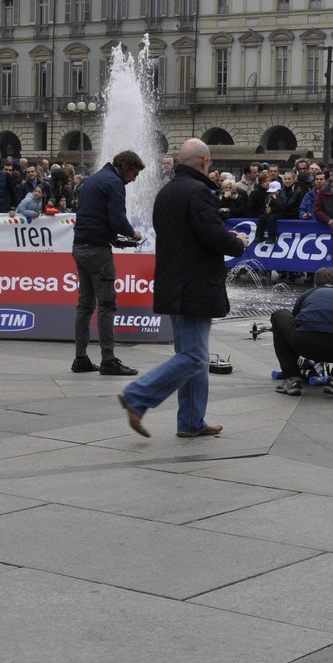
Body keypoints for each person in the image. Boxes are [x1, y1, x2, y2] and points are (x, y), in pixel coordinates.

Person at [119, 138, 251, 439]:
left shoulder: (167, 192)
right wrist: (237, 243)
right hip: (195, 285)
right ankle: (138, 396)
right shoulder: (198, 192)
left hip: (173, 282)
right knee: (193, 357)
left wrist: (218, 233)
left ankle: (191, 421)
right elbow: (212, 236)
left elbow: (190, 233)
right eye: (211, 162)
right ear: (204, 161)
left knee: (194, 356)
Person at [71, 149, 145, 376]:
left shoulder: (94, 179)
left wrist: (113, 238)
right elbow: (117, 218)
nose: (134, 179)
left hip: (80, 246)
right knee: (106, 305)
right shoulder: (115, 183)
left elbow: (93, 215)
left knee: (85, 305)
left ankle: (80, 358)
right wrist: (133, 234)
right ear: (126, 167)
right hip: (97, 252)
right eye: (134, 173)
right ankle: (108, 360)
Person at [269, 267, 333, 397]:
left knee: (279, 315)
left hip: (303, 344)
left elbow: (295, 321)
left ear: (315, 284)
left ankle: (292, 378)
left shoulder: (307, 294)